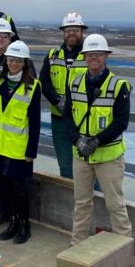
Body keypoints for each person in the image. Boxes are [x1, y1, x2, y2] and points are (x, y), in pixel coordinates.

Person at [63, 33, 133, 246]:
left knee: (115, 205)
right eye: (90, 54)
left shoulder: (118, 86)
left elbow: (121, 122)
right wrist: (77, 141)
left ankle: (123, 251)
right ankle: (77, 246)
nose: (94, 58)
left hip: (108, 157)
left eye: (98, 54)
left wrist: (96, 141)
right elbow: (68, 116)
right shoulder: (74, 84)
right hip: (81, 155)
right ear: (84, 56)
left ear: (106, 56)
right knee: (81, 203)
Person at [0, 41, 40, 244]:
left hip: (19, 149)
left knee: (20, 190)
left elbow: (34, 122)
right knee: (3, 186)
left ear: (24, 63)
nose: (14, 64)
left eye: (18, 60)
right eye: (10, 59)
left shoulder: (33, 87)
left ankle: (24, 225)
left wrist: (31, 150)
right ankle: (12, 221)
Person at [39, 12, 88, 179]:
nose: (71, 33)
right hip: (59, 119)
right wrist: (57, 101)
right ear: (63, 32)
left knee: (87, 165)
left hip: (82, 120)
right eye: (68, 30)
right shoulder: (53, 55)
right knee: (65, 164)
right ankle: (69, 199)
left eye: (75, 29)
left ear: (82, 32)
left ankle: (91, 200)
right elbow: (44, 81)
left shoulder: (90, 56)